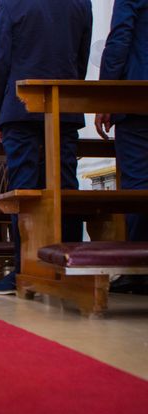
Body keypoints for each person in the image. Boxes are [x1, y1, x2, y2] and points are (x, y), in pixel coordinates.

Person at [0, 0, 92, 295]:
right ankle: (72, 267)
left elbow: (0, 60)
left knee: (25, 190)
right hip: (66, 107)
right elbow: (82, 56)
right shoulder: (81, 1)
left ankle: (26, 269)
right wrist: (68, 95)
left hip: (20, 109)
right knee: (66, 187)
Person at [95, 0, 148, 294]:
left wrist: (106, 97)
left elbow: (120, 38)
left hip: (138, 97)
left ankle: (139, 271)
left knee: (138, 184)